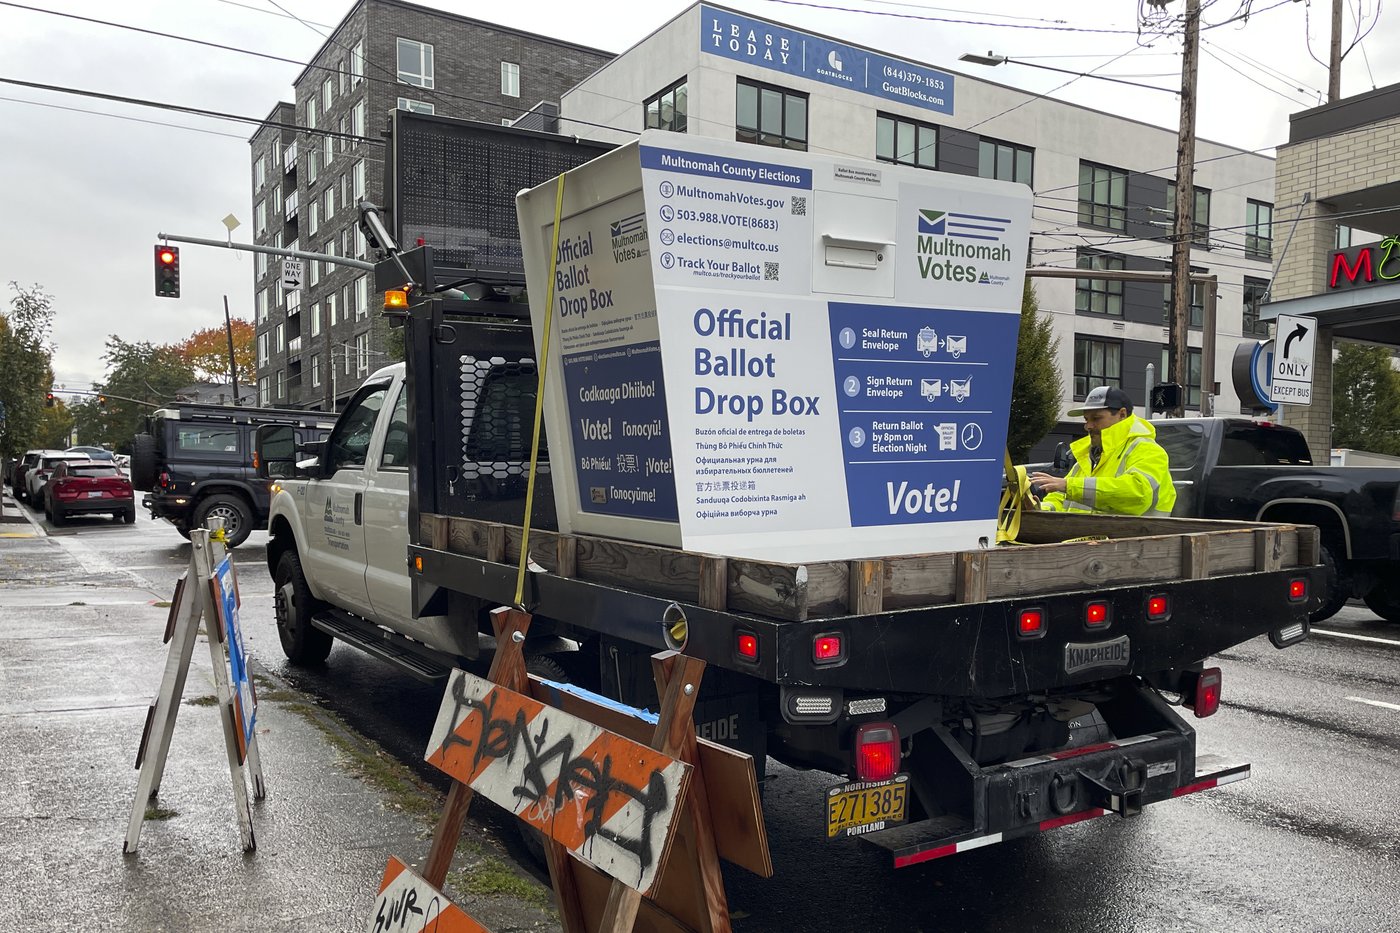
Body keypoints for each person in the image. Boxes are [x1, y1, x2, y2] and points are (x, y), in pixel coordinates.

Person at [1029, 385, 1176, 517]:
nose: (1088, 426)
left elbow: (1137, 494)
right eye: (1086, 419)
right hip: (1093, 543)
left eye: (1096, 418)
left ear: (1122, 414)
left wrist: (1068, 485)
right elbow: (1061, 498)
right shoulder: (1088, 457)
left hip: (1137, 543)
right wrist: (1041, 509)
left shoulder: (1148, 450)